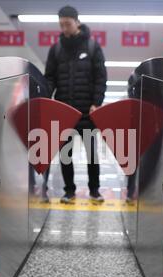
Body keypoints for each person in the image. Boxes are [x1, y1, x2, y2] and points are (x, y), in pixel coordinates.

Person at [45, 5, 107, 204]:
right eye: (61, 24)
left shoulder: (92, 47)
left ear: (77, 22)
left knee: (92, 154)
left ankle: (94, 191)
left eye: (68, 24)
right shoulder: (56, 50)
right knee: (65, 154)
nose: (64, 28)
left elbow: (100, 77)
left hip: (87, 112)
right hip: (64, 112)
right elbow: (50, 78)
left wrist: (97, 102)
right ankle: (69, 191)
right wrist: (48, 99)